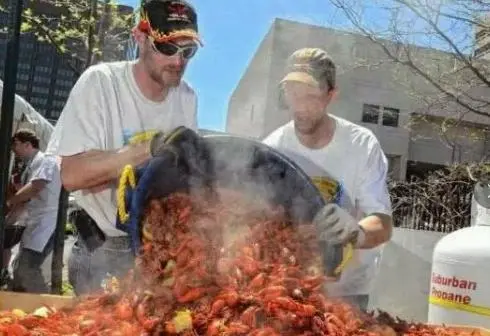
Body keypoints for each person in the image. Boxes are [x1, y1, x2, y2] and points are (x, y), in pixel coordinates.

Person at [46, 0, 202, 295]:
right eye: (167, 47)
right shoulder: (101, 83)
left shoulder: (187, 97)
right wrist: (150, 148)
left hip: (156, 247)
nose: (178, 61)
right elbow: (72, 174)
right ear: (140, 38)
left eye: (188, 51)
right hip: (104, 248)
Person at [262, 48, 393, 311]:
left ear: (330, 95)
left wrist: (357, 231)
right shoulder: (273, 147)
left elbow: (384, 224)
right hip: (290, 290)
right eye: (293, 94)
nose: (300, 106)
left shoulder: (360, 144)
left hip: (348, 294)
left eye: (311, 95)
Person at [7, 129, 61, 293]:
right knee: (19, 268)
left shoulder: (47, 160)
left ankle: (44, 305)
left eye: (15, 144)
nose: (13, 149)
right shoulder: (29, 167)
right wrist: (7, 222)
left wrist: (10, 200)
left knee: (27, 269)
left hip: (47, 224)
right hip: (35, 223)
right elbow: (24, 202)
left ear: (27, 144)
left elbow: (35, 187)